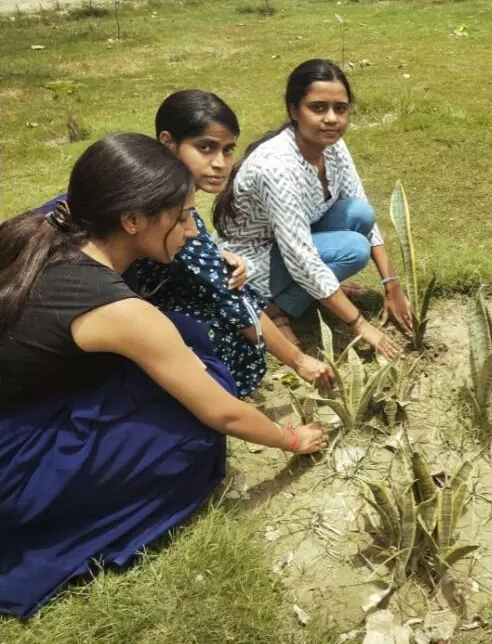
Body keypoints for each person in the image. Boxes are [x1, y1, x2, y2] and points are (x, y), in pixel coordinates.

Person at [0, 134, 330, 619]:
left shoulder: (60, 222)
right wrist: (291, 438)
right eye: (180, 218)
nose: (192, 231)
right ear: (132, 220)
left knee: (188, 339)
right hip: (15, 461)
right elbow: (223, 414)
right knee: (194, 439)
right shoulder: (119, 311)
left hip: (25, 403)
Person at [133, 90, 334, 397]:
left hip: (147, 308)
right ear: (167, 142)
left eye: (227, 150)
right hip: (141, 324)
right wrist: (299, 361)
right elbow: (234, 304)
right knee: (233, 323)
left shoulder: (156, 188)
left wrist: (216, 255)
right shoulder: (164, 211)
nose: (220, 163)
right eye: (205, 147)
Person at [213, 59, 411, 358]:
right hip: (247, 263)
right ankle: (274, 308)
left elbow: (361, 204)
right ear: (294, 110)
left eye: (340, 109)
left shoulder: (332, 145)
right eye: (318, 108)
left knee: (360, 214)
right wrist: (360, 325)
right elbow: (301, 258)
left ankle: (307, 295)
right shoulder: (276, 167)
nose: (331, 119)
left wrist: (391, 283)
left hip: (289, 241)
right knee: (354, 249)